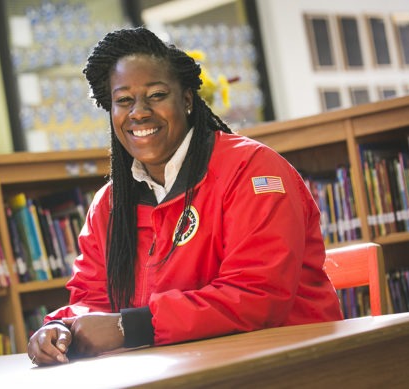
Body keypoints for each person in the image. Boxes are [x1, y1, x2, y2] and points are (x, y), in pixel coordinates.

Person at [27, 27, 343, 366]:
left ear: (188, 100)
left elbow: (256, 296)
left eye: (157, 95)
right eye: (123, 101)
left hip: (292, 365)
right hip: (186, 368)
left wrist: (131, 326)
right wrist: (63, 327)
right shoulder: (110, 205)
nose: (139, 112)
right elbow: (91, 297)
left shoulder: (253, 171)